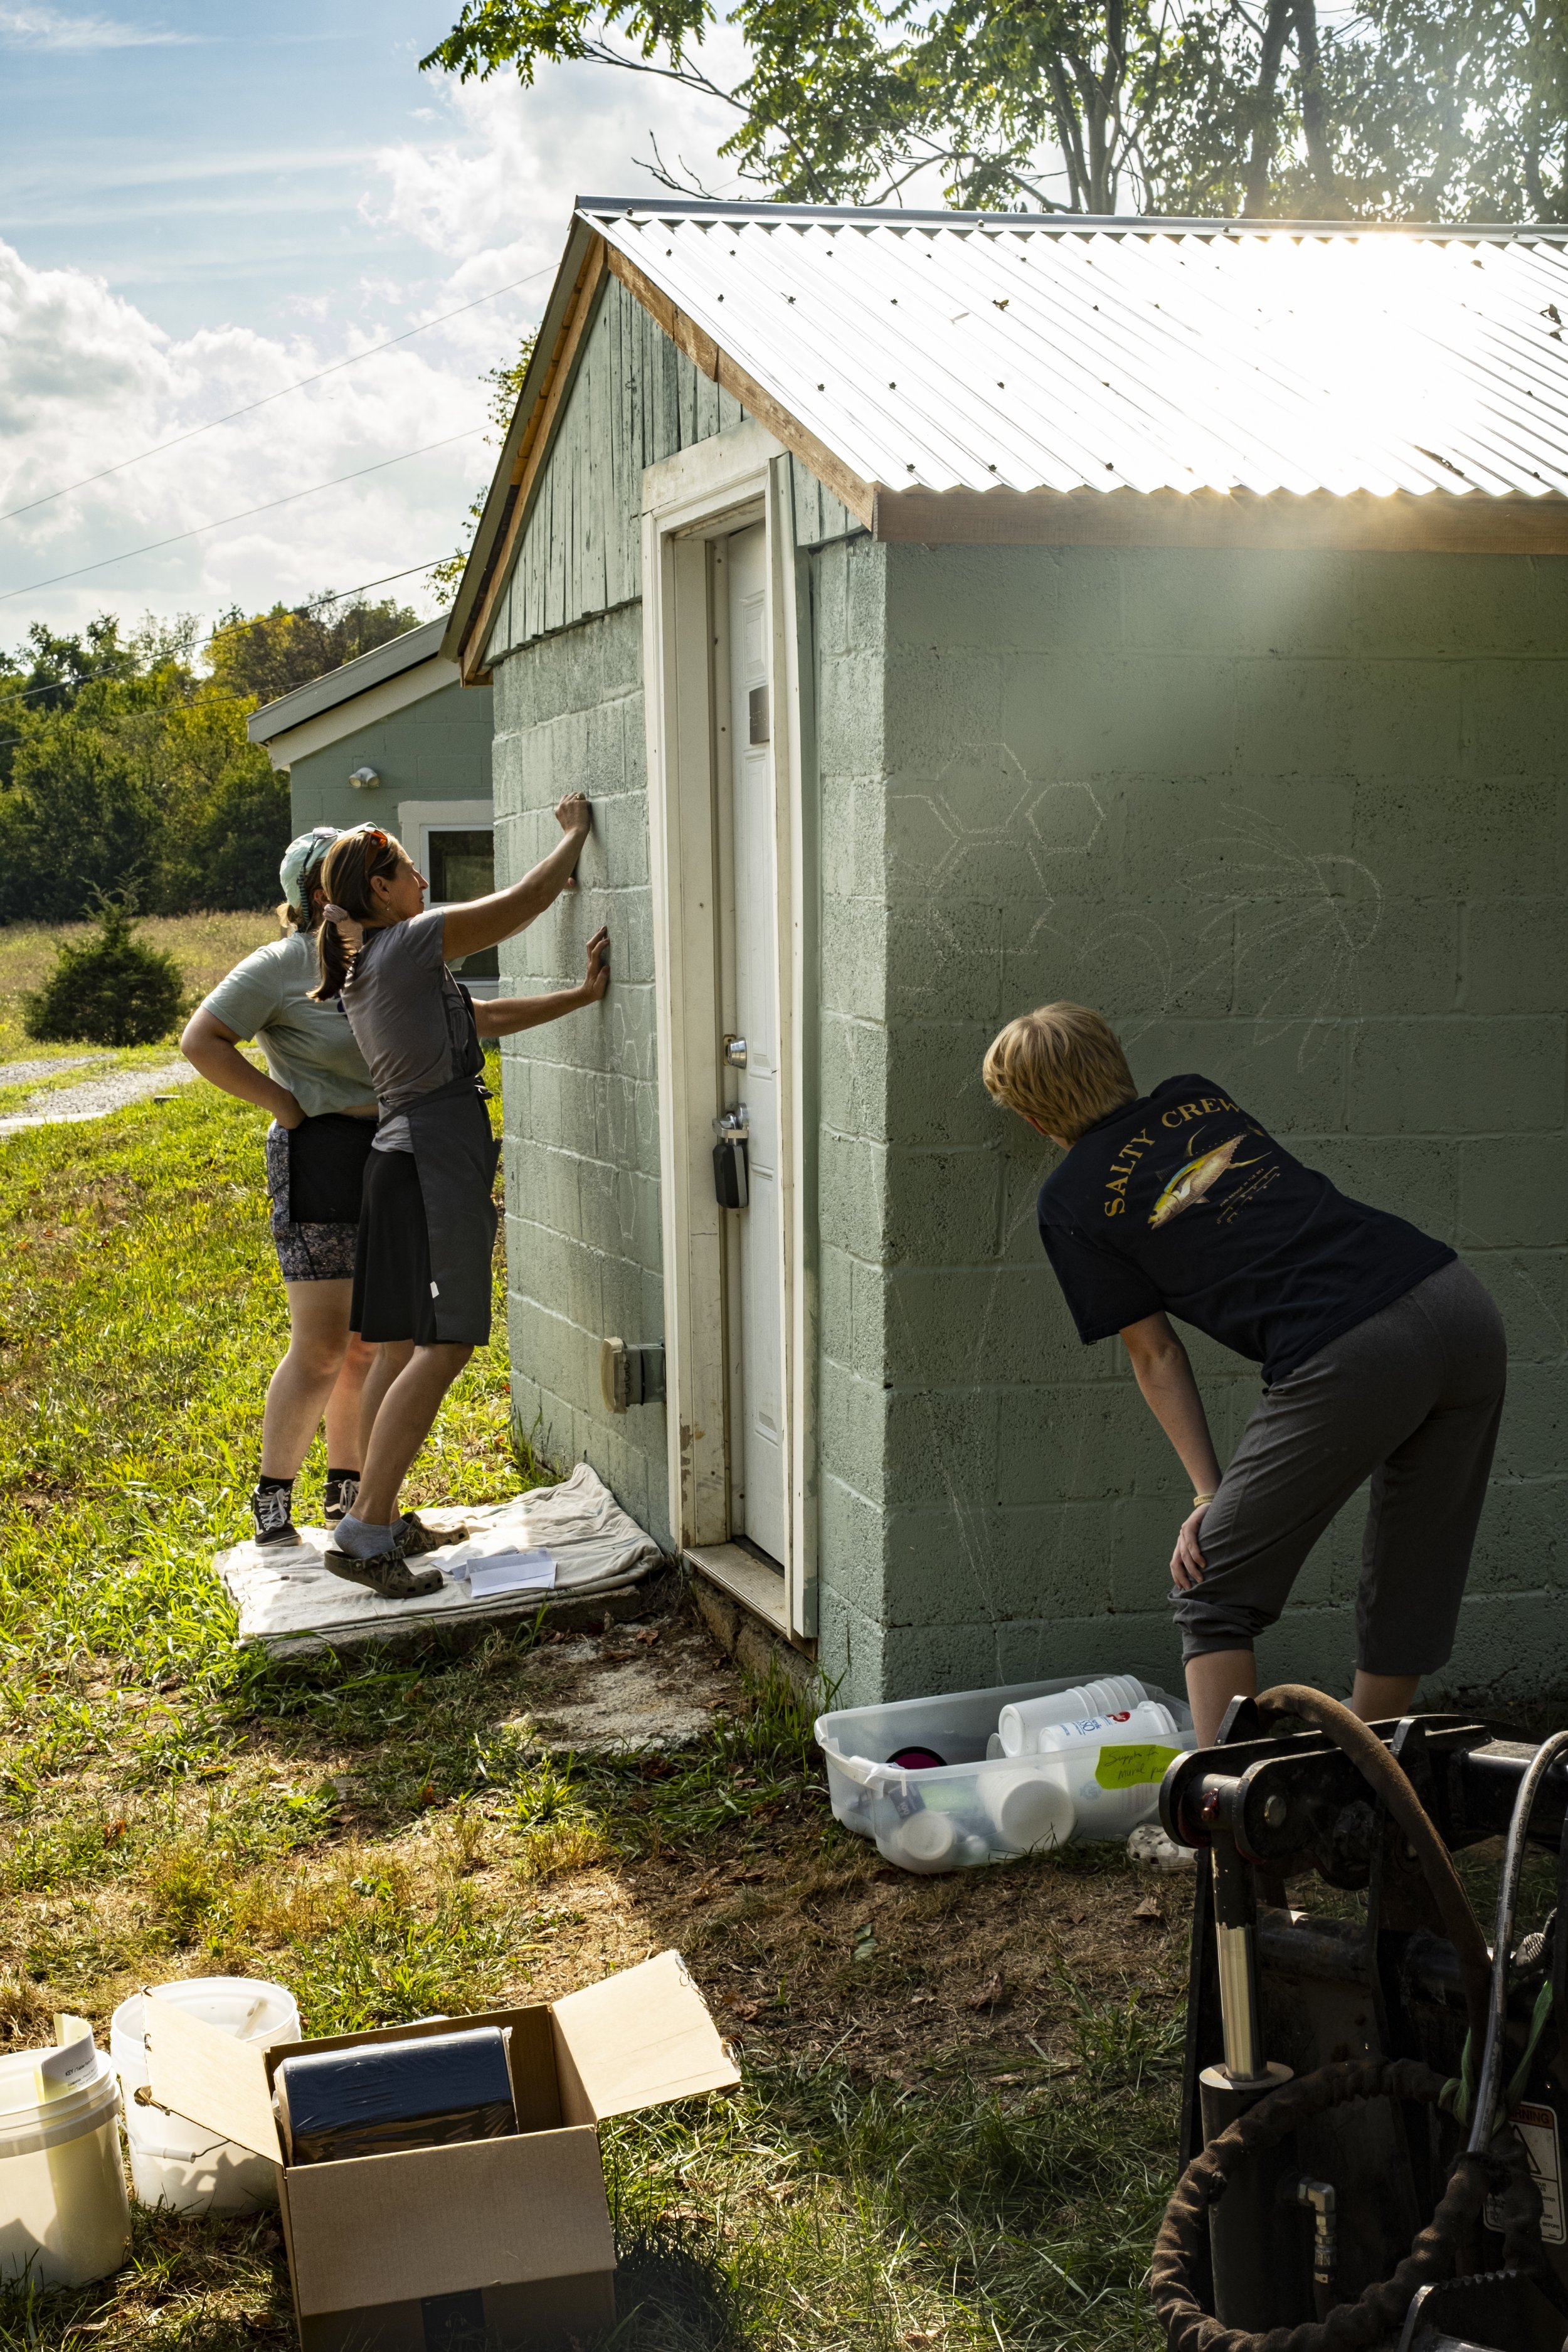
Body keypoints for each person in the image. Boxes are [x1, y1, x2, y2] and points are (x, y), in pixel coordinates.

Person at [982, 1002, 1507, 1747]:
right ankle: (1376, 1783)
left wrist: (1208, 1493)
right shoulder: (1197, 1097)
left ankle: (1228, 1799)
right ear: (1114, 1059)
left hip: (1353, 1349)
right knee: (1414, 1566)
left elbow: (1155, 1353)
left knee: (1213, 1589)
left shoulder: (1069, 1202)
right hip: (1457, 1303)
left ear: (1034, 1119)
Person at [306, 798, 608, 1598]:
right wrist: (574, 835)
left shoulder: (383, 960)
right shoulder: (406, 945)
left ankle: (376, 1513)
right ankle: (366, 1532)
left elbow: (486, 1016)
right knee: (447, 1346)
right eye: (410, 871)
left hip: (402, 1162)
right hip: (429, 1163)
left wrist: (579, 997)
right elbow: (522, 904)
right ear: (380, 889)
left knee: (403, 1348)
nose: (423, 881)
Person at [181, 826, 381, 1547]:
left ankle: (348, 1490)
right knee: (323, 1344)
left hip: (389, 1155)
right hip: (317, 1155)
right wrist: (282, 1105)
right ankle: (274, 1498)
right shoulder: (279, 964)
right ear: (321, 895)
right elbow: (200, 1041)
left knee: (368, 1345)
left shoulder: (383, 956)